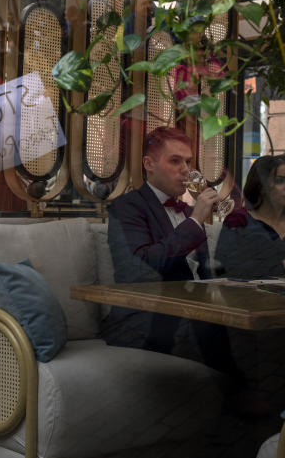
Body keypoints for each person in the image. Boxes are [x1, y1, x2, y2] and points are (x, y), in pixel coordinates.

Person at [104, 127, 243, 362]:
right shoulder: (127, 207)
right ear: (149, 164)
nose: (186, 170)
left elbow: (202, 275)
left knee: (250, 335)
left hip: (193, 314)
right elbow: (139, 269)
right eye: (175, 161)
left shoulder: (188, 212)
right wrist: (196, 221)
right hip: (145, 319)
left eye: (188, 162)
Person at [215, 155, 285, 279]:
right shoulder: (237, 221)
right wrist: (279, 268)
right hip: (245, 296)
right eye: (280, 180)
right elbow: (223, 269)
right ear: (261, 185)